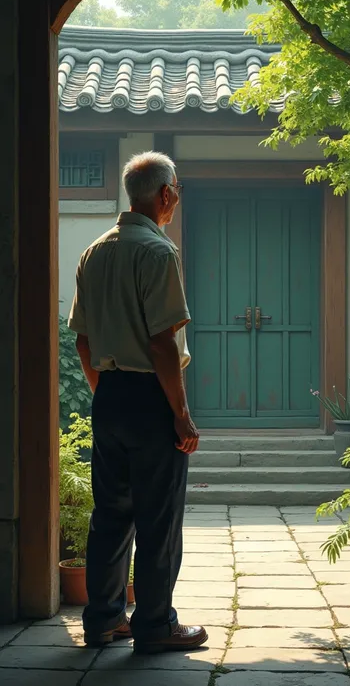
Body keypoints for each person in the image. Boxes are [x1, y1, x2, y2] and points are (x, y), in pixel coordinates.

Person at [68, 151, 207, 654]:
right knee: (159, 519)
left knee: (110, 515)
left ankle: (102, 620)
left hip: (108, 397)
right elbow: (161, 344)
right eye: (178, 192)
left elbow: (82, 342)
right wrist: (180, 413)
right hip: (150, 399)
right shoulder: (158, 252)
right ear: (166, 194)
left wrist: (104, 395)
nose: (177, 200)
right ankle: (154, 624)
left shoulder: (94, 252)